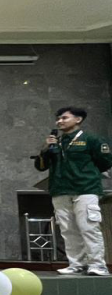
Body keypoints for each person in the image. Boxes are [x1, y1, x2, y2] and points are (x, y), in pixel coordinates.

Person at [38, 107, 112, 276]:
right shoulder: (56, 142)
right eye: (58, 118)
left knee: (89, 227)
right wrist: (45, 149)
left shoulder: (91, 139)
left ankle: (97, 265)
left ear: (78, 119)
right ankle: (76, 264)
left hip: (85, 189)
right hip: (60, 190)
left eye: (64, 118)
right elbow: (41, 166)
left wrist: (86, 174)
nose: (59, 121)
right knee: (67, 230)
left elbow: (105, 162)